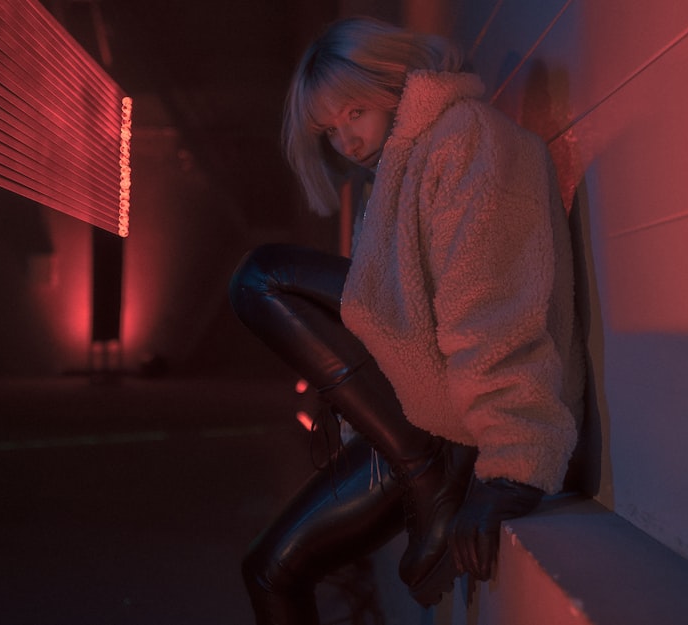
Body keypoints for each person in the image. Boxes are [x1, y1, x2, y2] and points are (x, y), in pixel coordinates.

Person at [229, 16, 585, 624]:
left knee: (263, 276)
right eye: (329, 127)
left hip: (452, 432)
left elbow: (493, 303)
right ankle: (420, 471)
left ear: (395, 81)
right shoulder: (400, 170)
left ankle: (427, 476)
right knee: (269, 571)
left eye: (354, 112)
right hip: (418, 424)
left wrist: (510, 468)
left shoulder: (467, 139)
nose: (343, 139)